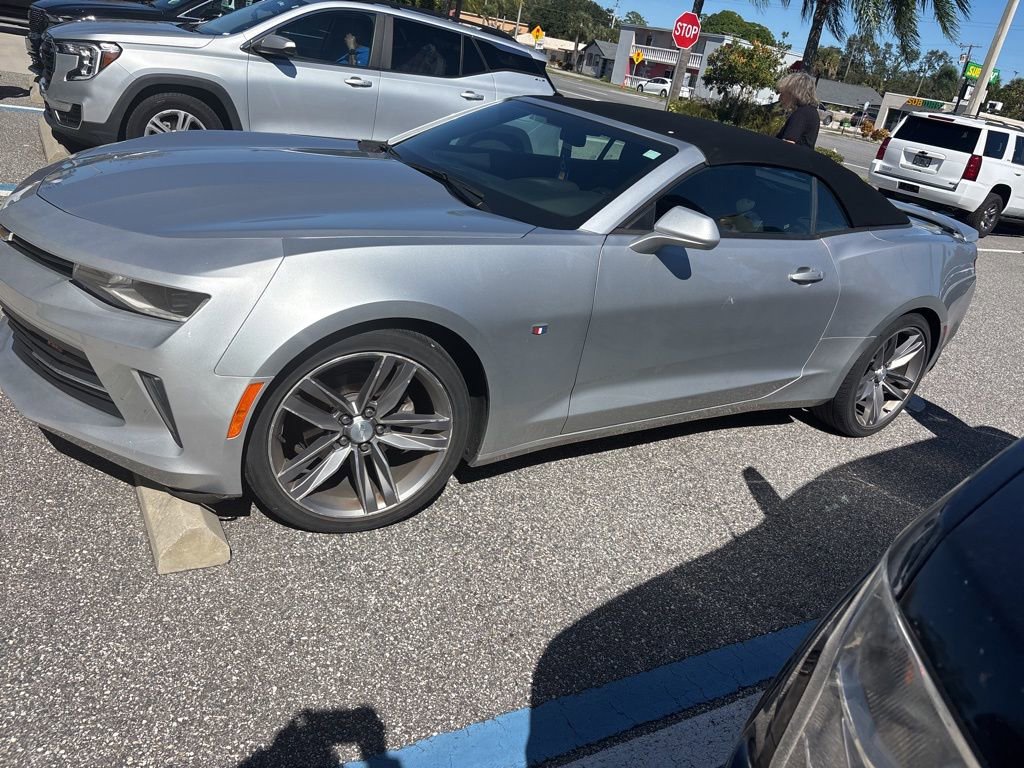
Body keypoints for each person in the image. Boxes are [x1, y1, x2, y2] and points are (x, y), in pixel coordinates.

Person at [775, 71, 820, 148]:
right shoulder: (811, 111)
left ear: (793, 93)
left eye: (783, 93)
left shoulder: (801, 113)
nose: (780, 98)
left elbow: (787, 144)